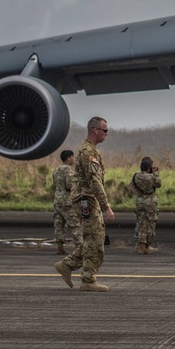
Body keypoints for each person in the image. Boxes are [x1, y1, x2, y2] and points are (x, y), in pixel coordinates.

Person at [55, 116, 115, 292]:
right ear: (95, 130)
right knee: (93, 239)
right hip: (85, 199)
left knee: (93, 237)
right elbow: (95, 182)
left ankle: (68, 265)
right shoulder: (88, 152)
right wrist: (107, 207)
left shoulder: (89, 151)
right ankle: (88, 280)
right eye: (104, 130)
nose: (107, 133)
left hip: (86, 198)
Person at [131, 156, 161, 254]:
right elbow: (158, 184)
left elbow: (131, 186)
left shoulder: (136, 175)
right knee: (150, 224)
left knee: (141, 224)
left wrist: (139, 194)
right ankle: (147, 245)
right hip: (150, 202)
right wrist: (155, 173)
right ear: (149, 167)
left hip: (139, 201)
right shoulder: (151, 177)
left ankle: (140, 246)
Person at [52, 149, 81, 256]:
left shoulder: (56, 170)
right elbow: (70, 185)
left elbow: (54, 185)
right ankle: (79, 247)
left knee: (59, 224)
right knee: (75, 225)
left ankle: (60, 247)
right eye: (73, 157)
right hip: (67, 201)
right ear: (69, 158)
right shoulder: (69, 171)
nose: (74, 159)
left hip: (57, 200)